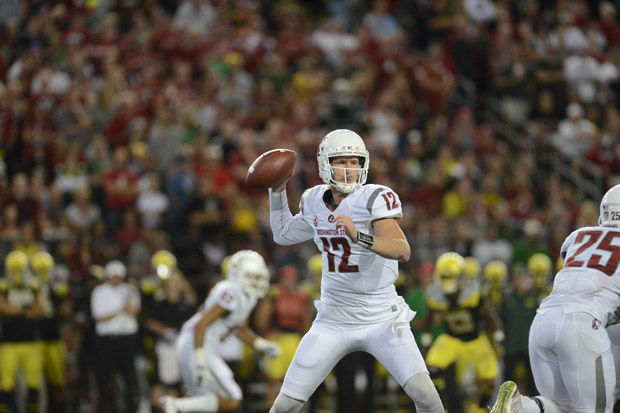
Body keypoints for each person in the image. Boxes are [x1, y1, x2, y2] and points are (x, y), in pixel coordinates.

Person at [267, 129, 444, 413]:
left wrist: (359, 236)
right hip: (333, 318)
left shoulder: (374, 197)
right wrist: (276, 191)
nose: (349, 169)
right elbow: (283, 234)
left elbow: (402, 249)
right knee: (286, 404)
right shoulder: (313, 199)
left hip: (381, 317)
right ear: (325, 162)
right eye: (342, 161)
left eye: (354, 162)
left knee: (426, 397)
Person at [491, 184, 620, 413]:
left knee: (561, 407)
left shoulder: (578, 236)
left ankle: (519, 407)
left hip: (543, 320)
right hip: (583, 325)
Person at [160, 250, 282, 413]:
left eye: (258, 276)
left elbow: (239, 330)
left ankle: (176, 407)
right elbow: (200, 326)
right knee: (232, 398)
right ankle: (176, 405)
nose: (256, 281)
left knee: (201, 399)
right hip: (197, 344)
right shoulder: (231, 292)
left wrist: (261, 344)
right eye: (251, 276)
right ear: (237, 275)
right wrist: (200, 360)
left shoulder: (248, 296)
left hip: (201, 346)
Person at [423, 252, 503, 413]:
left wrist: (498, 338)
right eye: (444, 276)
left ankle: (480, 408)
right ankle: (440, 408)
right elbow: (429, 319)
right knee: (431, 370)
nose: (447, 281)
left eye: (450, 276)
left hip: (475, 339)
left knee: (490, 381)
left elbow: (491, 317)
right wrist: (426, 340)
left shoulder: (473, 293)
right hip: (451, 339)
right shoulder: (435, 294)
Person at [90, 260, 141, 413]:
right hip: (106, 341)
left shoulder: (129, 290)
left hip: (127, 340)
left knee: (129, 380)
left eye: (118, 276)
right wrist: (120, 310)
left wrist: (132, 293)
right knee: (104, 380)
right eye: (113, 275)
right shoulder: (99, 291)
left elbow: (133, 312)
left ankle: (130, 409)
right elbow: (100, 317)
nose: (116, 278)